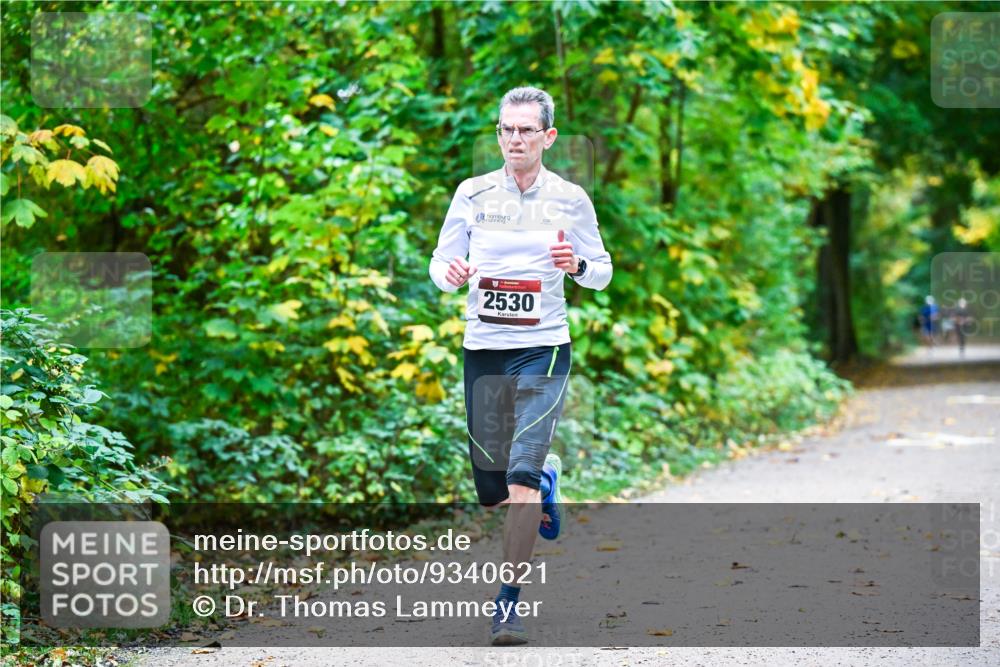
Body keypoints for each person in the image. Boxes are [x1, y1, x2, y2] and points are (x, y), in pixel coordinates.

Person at [428, 86, 612, 646]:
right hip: (484, 348)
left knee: (520, 478)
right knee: (494, 489)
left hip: (544, 347)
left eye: (526, 130)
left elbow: (601, 271)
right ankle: (546, 481)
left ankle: (507, 604)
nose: (514, 139)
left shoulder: (571, 199)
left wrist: (576, 264)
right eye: (506, 129)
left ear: (547, 137)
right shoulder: (473, 192)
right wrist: (450, 273)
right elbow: (440, 262)